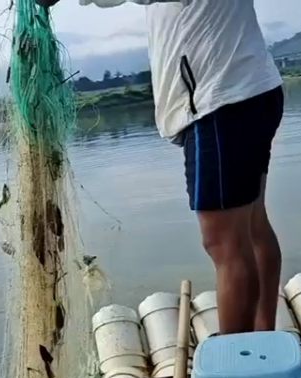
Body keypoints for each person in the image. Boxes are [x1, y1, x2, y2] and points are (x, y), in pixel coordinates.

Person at [36, 0, 284, 335]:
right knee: (252, 225)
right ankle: (263, 337)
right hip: (249, 88)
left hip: (220, 103)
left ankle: (237, 368)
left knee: (223, 243)